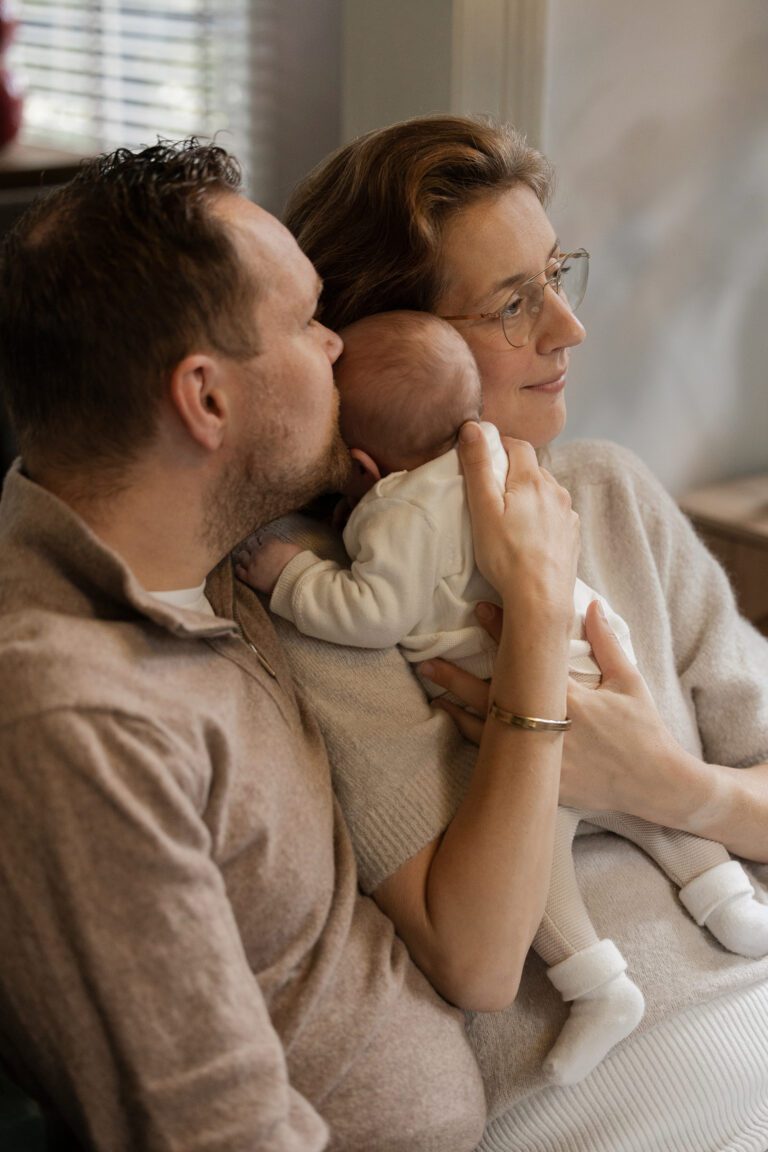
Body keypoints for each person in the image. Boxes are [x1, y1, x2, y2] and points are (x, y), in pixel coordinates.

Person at [0, 139, 541, 1152]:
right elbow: (216, 1131)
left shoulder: (221, 558)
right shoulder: (78, 724)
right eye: (306, 325)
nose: (341, 346)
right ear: (206, 399)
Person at [254, 115, 768, 1149]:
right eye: (512, 303)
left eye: (554, 274)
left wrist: (666, 782)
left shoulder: (612, 493)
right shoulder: (340, 608)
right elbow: (479, 963)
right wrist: (533, 609)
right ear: (393, 354)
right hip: (607, 1092)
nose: (567, 329)